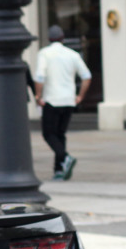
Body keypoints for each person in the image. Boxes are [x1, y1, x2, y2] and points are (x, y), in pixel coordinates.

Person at [34, 24, 92, 181]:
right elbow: (87, 76)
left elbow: (39, 77)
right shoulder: (73, 55)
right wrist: (80, 96)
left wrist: (38, 96)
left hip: (51, 100)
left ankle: (65, 157)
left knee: (48, 134)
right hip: (68, 100)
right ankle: (59, 170)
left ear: (49, 39)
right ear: (63, 38)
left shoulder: (44, 53)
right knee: (60, 134)